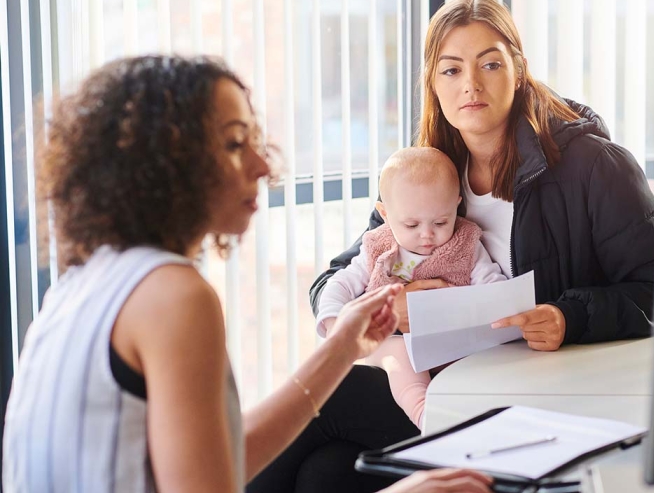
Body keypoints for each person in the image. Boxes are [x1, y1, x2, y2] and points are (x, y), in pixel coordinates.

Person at [1, 55, 493, 493]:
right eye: (236, 144)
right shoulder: (172, 295)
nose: (263, 164)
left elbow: (216, 459)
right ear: (169, 165)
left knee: (329, 473)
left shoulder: (84, 282)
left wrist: (344, 345)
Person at [254, 0, 654, 491]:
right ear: (433, 83)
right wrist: (385, 307)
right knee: (327, 473)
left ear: (518, 70)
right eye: (451, 69)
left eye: (490, 63)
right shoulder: (429, 170)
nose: (471, 83)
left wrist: (567, 316)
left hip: (536, 398)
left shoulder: (595, 167)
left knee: (332, 399)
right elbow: (344, 270)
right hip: (443, 384)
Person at [317, 147, 507, 428]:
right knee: (400, 357)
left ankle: (464, 414)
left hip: (452, 345)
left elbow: (492, 285)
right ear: (384, 213)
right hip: (393, 343)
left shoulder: (466, 243)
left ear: (456, 205)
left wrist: (497, 311)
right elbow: (339, 283)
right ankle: (424, 414)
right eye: (411, 224)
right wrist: (336, 326)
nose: (427, 234)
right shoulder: (378, 246)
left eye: (441, 221)